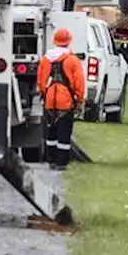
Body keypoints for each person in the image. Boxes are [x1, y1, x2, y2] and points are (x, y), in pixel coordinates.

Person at [40, 27, 86, 170]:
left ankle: (51, 160)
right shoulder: (72, 60)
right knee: (64, 134)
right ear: (69, 42)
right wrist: (79, 99)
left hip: (49, 100)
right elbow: (79, 81)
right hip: (65, 101)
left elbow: (41, 81)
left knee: (51, 133)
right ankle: (61, 163)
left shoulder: (45, 59)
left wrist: (44, 93)